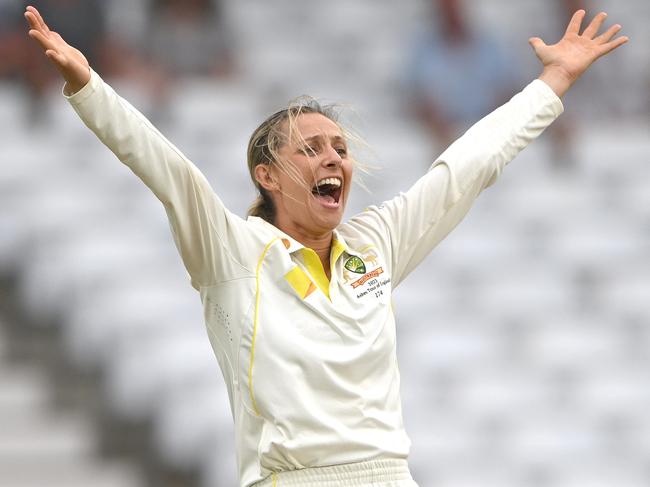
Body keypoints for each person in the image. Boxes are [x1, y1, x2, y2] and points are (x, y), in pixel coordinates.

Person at [24, 5, 627, 486]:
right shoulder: (232, 250)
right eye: (310, 148)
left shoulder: (375, 243)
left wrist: (553, 82)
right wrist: (88, 86)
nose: (334, 156)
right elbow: (165, 167)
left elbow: (466, 166)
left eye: (338, 146)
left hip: (391, 476)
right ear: (266, 174)